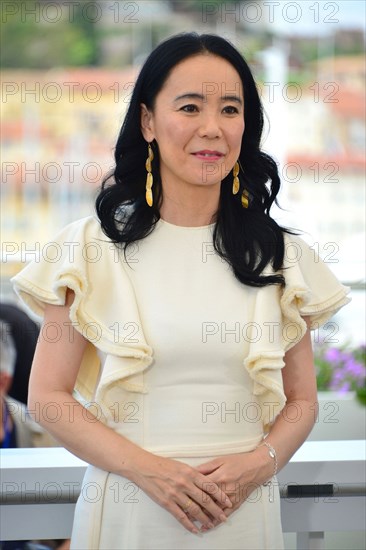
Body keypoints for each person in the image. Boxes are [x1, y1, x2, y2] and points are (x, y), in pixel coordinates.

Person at [11, 33, 350, 549]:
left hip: (242, 512)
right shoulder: (87, 250)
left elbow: (302, 401)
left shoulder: (279, 256)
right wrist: (153, 473)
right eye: (189, 107)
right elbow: (48, 398)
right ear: (147, 121)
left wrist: (256, 466)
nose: (211, 128)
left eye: (230, 109)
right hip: (128, 511)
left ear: (246, 124)